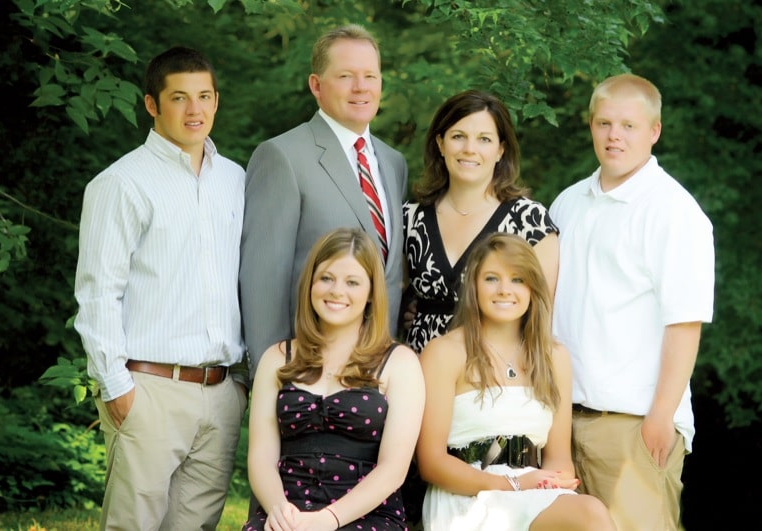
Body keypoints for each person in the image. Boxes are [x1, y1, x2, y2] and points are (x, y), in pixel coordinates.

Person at [73, 46, 248, 530]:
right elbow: (97, 292)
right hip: (149, 389)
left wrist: (241, 382)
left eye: (204, 96)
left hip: (221, 391)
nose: (195, 110)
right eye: (179, 98)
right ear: (152, 104)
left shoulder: (235, 180)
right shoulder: (121, 184)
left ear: (216, 101)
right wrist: (116, 387)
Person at [550, 73, 715, 530]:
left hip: (633, 424)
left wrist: (660, 418)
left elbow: (685, 322)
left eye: (628, 125)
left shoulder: (674, 212)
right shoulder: (567, 203)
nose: (613, 136)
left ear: (654, 131)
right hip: (563, 422)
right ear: (590, 126)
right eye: (603, 123)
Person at [241, 24, 408, 379]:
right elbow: (263, 283)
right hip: (309, 376)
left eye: (370, 76)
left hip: (382, 372)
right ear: (316, 85)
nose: (361, 87)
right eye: (346, 76)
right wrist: (274, 381)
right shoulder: (282, 157)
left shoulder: (393, 163)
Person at [416, 233, 615, 530]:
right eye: (492, 278)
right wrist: (512, 485)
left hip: (535, 495)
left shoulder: (554, 357)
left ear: (533, 288)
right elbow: (430, 463)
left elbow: (559, 460)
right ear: (474, 286)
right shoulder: (444, 353)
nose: (504, 290)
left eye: (518, 280)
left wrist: (544, 484)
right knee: (590, 514)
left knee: (589, 513)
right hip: (468, 497)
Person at [244, 228, 425, 531]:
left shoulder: (399, 363)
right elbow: (261, 458)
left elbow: (393, 469)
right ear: (311, 283)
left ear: (370, 294)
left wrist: (328, 520)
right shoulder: (277, 358)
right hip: (286, 512)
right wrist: (280, 512)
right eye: (326, 278)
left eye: (352, 282)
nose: (337, 291)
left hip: (367, 516)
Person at [403, 89, 559, 354]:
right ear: (440, 143)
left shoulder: (530, 222)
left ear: (500, 150)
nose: (469, 149)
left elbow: (541, 318)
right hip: (419, 375)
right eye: (458, 137)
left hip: (492, 371)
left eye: (484, 139)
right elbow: (389, 296)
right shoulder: (409, 217)